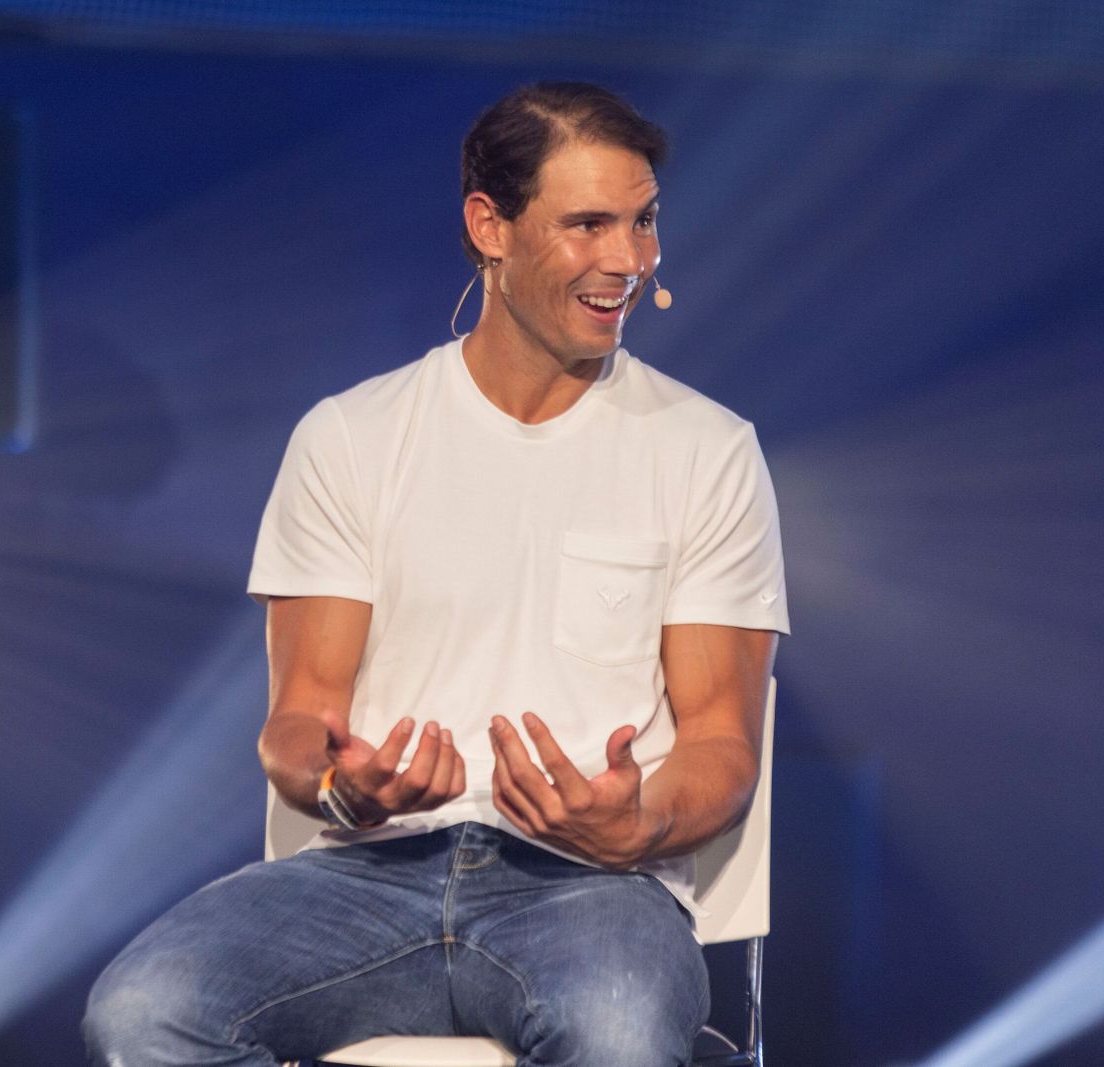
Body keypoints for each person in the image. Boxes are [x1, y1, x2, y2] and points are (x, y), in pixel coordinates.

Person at [83, 81, 789, 1067]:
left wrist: (638, 822)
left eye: (642, 222)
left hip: (591, 886)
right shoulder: (352, 436)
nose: (627, 259)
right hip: (364, 878)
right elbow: (296, 723)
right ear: (488, 226)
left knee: (620, 1035)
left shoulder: (707, 449)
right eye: (587, 224)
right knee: (144, 1013)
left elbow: (721, 742)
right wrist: (342, 782)